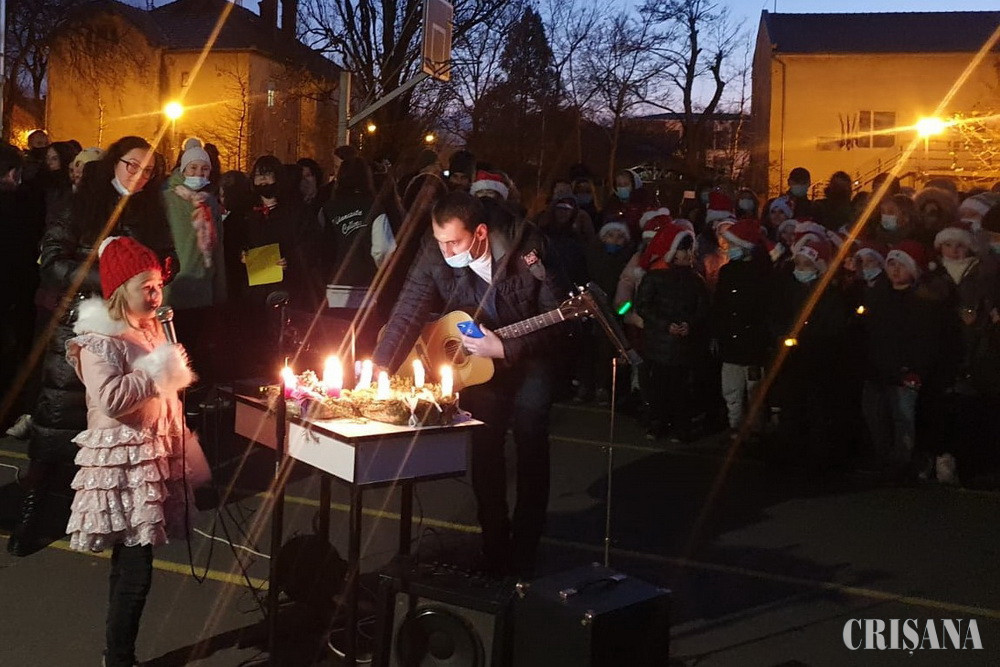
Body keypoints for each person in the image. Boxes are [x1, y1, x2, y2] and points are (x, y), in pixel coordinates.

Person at [373, 191, 563, 577]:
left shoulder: (528, 248)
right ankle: (494, 546)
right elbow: (408, 308)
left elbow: (559, 319)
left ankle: (525, 549)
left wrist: (506, 347)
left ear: (480, 233)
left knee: (530, 439)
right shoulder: (435, 248)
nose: (445, 251)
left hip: (531, 356)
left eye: (454, 242)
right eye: (439, 240)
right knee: (484, 446)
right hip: (477, 361)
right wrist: (380, 367)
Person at [9, 136, 176, 557]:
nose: (139, 176)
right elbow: (52, 262)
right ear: (115, 162)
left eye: (148, 170)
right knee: (56, 422)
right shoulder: (79, 203)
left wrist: (160, 271)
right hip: (79, 323)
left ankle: (115, 515)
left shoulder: (151, 209)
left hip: (134, 328)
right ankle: (33, 512)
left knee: (119, 425)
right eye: (132, 165)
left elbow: (165, 257)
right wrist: (109, 280)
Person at [65, 235, 208, 667]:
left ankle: (116, 653)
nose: (155, 294)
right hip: (123, 466)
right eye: (145, 287)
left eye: (158, 285)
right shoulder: (98, 339)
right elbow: (111, 399)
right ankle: (119, 658)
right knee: (136, 572)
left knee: (129, 565)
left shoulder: (151, 329)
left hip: (149, 458)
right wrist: (158, 369)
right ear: (119, 290)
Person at [636, 223, 709, 442]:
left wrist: (690, 324)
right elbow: (644, 306)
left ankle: (680, 427)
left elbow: (703, 308)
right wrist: (665, 325)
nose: (688, 254)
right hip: (659, 345)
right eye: (683, 249)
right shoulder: (655, 277)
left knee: (681, 389)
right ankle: (657, 423)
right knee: (659, 387)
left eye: (690, 250)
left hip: (684, 346)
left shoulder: (696, 280)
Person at [162, 139, 226, 382]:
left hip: (202, 289)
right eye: (193, 168)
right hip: (173, 289)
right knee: (171, 357)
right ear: (183, 169)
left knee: (194, 355)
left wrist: (219, 289)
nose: (199, 173)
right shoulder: (167, 199)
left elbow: (217, 248)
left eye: (204, 169)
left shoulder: (210, 202)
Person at [711, 219, 772, 435]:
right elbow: (719, 305)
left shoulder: (763, 274)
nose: (730, 249)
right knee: (731, 389)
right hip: (730, 342)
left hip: (753, 345)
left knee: (754, 389)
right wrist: (718, 333)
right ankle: (734, 425)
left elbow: (766, 310)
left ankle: (755, 429)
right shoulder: (728, 272)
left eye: (734, 245)